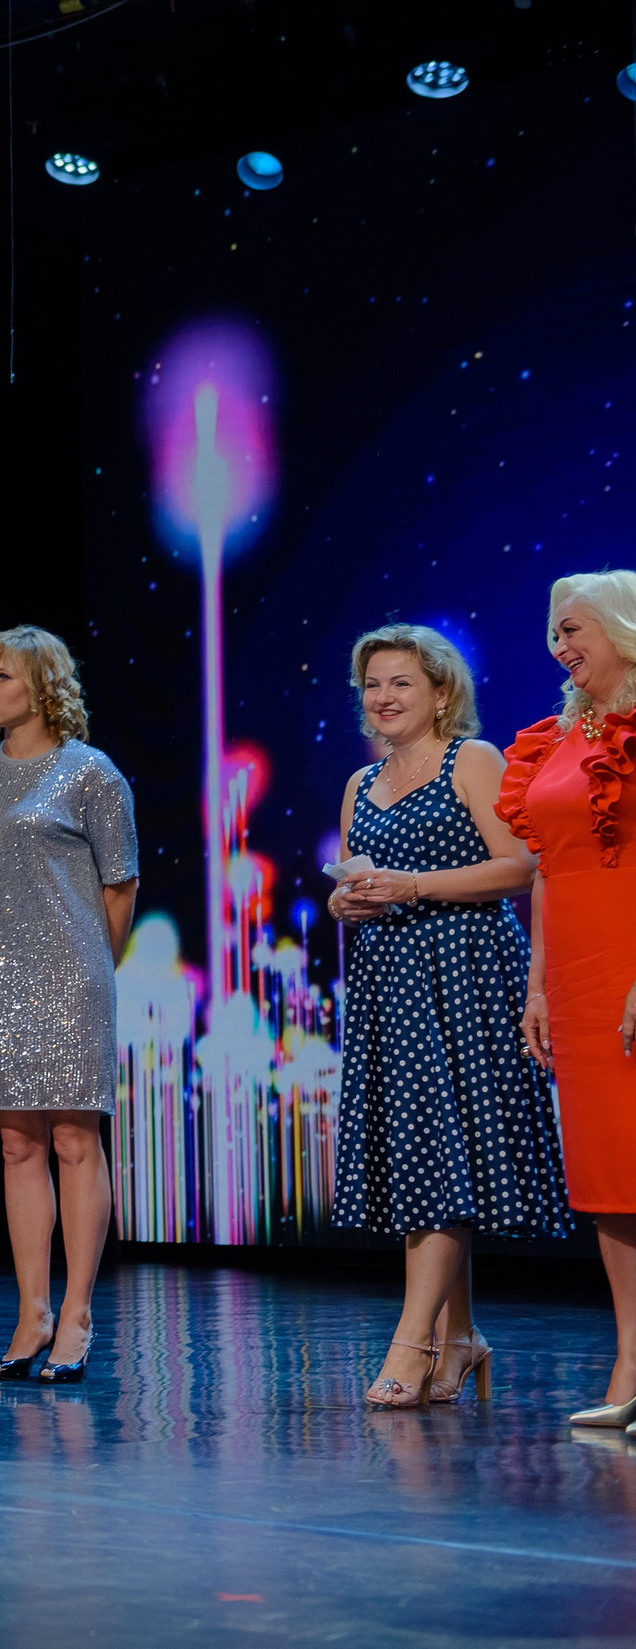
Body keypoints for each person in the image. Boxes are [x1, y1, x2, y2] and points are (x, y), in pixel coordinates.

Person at [328, 625, 569, 1408]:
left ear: (440, 692)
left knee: (441, 1156)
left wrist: (415, 886)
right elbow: (361, 879)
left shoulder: (474, 759)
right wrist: (347, 901)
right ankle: (460, 1337)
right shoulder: (360, 783)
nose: (384, 697)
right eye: (373, 684)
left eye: (401, 682)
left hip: (463, 977)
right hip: (389, 984)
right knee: (427, 1160)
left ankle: (412, 1341)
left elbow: (520, 866)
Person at [0, 628, 141, 1386]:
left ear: (41, 685)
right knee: (16, 1143)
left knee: (73, 1138)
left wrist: (91, 965)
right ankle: (32, 1311)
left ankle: (77, 1313)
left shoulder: (89, 771)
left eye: (1, 675)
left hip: (71, 973)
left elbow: (120, 882)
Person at [499, 573, 636, 1430]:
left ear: (623, 628)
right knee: (610, 1180)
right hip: (578, 976)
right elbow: (548, 865)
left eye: (575, 628)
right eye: (554, 631)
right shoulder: (555, 735)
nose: (560, 645)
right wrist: (539, 983)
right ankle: (631, 1363)